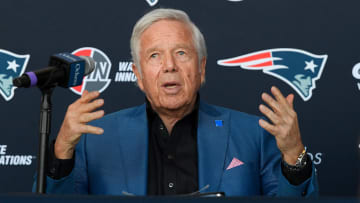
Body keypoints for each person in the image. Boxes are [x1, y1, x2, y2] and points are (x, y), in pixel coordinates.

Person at [41, 8, 318, 196]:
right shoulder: (95, 138)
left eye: (182, 52)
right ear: (137, 75)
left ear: (202, 68)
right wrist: (62, 149)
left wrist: (294, 155)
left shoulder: (253, 135)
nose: (169, 66)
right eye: (155, 56)